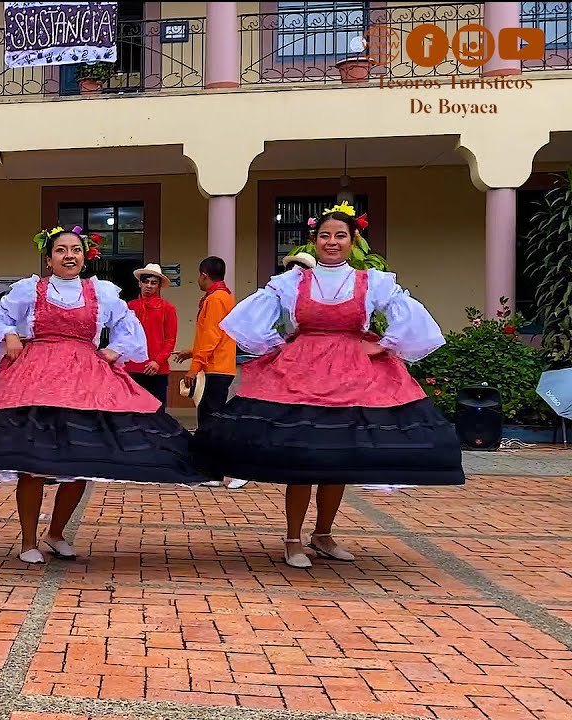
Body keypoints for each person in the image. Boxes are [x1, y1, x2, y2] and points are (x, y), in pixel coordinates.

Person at [191, 203, 465, 569]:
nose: (331, 242)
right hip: (301, 373)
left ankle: (323, 533)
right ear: (313, 240)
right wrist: (279, 348)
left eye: (340, 236)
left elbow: (406, 312)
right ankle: (292, 539)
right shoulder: (292, 282)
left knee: (338, 455)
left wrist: (382, 345)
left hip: (353, 375)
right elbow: (252, 319)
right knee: (301, 455)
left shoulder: (370, 283)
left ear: (353, 240)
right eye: (324, 236)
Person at [0, 226, 203, 564]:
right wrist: (9, 335)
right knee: (31, 463)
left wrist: (114, 350)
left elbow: (128, 327)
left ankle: (56, 532)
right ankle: (27, 541)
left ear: (85, 256)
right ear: (49, 259)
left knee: (79, 461)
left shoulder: (101, 293)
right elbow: (0, 317)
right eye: (61, 250)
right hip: (37, 378)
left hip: (85, 379)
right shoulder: (29, 290)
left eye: (76, 250)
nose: (69, 255)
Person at [173, 256, 246, 489]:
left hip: (214, 368)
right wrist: (192, 352)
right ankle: (212, 472)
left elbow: (212, 337)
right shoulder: (224, 296)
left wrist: (195, 368)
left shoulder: (215, 299)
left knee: (210, 422)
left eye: (199, 275)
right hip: (219, 365)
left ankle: (223, 470)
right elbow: (215, 337)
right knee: (210, 421)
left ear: (204, 274)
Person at [124, 264, 178, 407]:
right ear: (139, 283)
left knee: (158, 412)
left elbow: (170, 339)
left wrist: (157, 362)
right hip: (132, 367)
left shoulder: (168, 308)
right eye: (146, 282)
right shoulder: (130, 307)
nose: (149, 286)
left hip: (158, 369)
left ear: (159, 286)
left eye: (153, 283)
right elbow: (123, 337)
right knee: (133, 411)